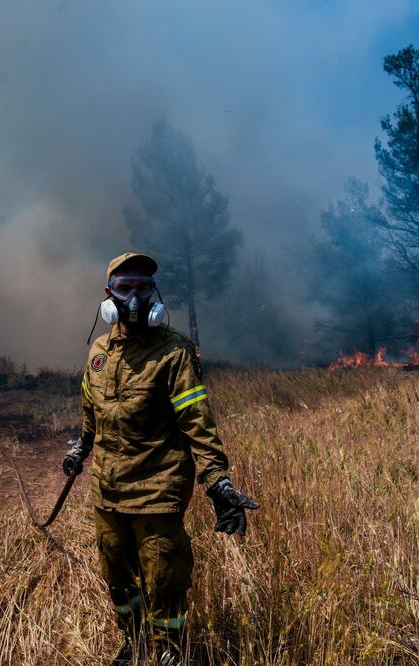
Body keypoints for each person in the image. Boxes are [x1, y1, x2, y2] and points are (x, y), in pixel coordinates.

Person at [62, 252, 258, 666]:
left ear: (155, 295)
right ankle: (134, 643)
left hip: (157, 489)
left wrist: (217, 480)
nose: (134, 297)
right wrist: (82, 446)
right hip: (107, 491)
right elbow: (90, 407)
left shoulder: (174, 353)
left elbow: (197, 422)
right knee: (116, 577)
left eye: (143, 288)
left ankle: (170, 650)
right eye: (124, 288)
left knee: (164, 579)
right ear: (108, 296)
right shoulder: (98, 350)